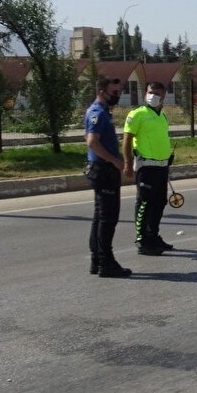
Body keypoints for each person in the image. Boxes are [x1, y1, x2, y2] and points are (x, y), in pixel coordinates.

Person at [84, 78, 132, 278]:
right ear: (102, 91)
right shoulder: (97, 112)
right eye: (114, 92)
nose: (117, 95)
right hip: (104, 170)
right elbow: (92, 142)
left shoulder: (101, 112)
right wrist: (115, 161)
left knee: (100, 217)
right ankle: (106, 262)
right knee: (107, 218)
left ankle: (97, 260)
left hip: (102, 168)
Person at [122, 81, 175, 256]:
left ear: (164, 95)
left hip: (161, 166)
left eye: (156, 93)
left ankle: (153, 236)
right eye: (150, 92)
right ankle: (142, 240)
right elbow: (127, 139)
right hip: (146, 167)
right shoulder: (137, 114)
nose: (152, 96)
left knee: (159, 203)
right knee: (145, 203)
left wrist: (167, 158)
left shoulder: (162, 115)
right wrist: (128, 164)